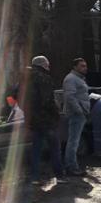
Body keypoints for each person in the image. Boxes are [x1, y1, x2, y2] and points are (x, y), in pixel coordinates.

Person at [21, 55, 64, 184]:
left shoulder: (24, 79)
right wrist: (56, 114)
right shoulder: (44, 78)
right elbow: (48, 100)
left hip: (32, 120)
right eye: (48, 64)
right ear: (43, 65)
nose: (49, 67)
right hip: (47, 120)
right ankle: (59, 175)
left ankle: (34, 176)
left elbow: (16, 96)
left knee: (36, 148)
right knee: (55, 148)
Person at [62, 57, 90, 176]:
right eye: (82, 66)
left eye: (85, 65)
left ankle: (72, 166)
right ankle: (71, 167)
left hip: (80, 114)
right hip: (76, 115)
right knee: (73, 141)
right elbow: (70, 97)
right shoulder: (71, 79)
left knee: (75, 140)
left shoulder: (78, 79)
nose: (85, 68)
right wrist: (79, 111)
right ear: (75, 67)